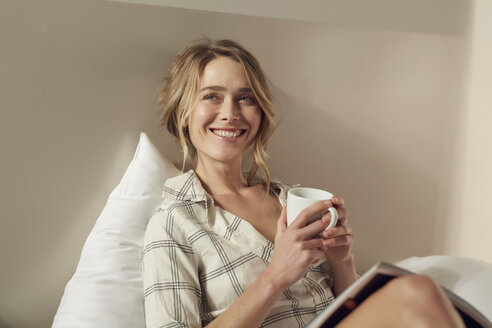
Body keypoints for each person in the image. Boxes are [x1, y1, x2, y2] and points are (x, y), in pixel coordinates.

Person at [142, 38, 464, 327]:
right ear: (184, 112)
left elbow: (348, 306)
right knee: (416, 294)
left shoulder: (288, 198)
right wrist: (274, 277)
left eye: (245, 98)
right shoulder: (173, 223)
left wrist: (341, 261)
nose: (230, 113)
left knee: (422, 295)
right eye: (212, 96)